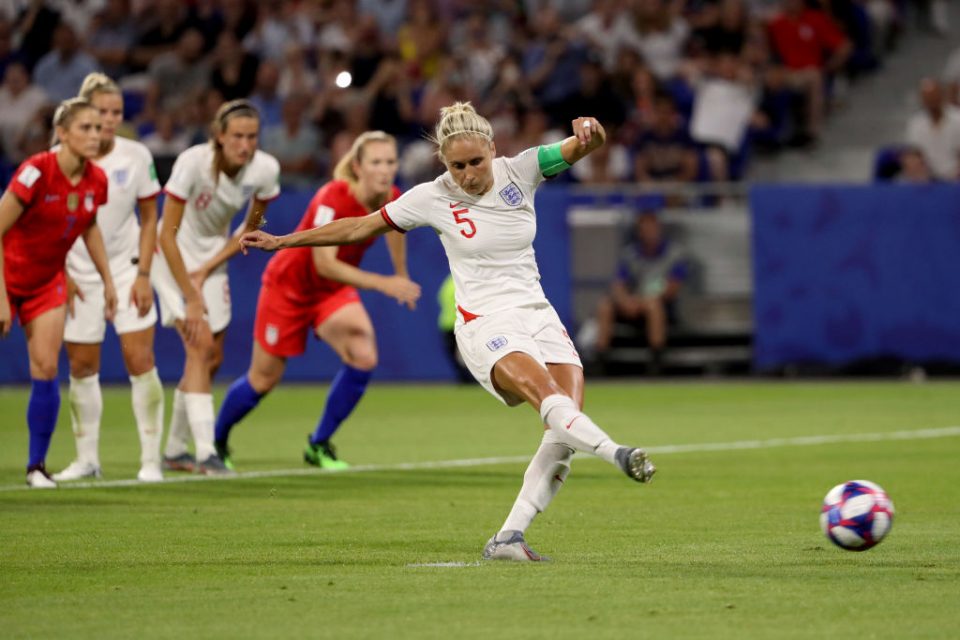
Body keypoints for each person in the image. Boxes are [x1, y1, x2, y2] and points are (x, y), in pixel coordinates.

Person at [240, 102, 656, 561]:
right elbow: (359, 227)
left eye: (476, 162)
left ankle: (508, 539)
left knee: (564, 427)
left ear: (492, 150)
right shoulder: (430, 197)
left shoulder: (523, 169)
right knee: (546, 397)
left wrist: (591, 133)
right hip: (485, 323)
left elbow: (582, 146)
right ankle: (617, 452)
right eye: (457, 166)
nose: (468, 174)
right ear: (444, 162)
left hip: (538, 314)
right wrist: (282, 241)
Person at [212, 131, 420, 470]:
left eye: (390, 162)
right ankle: (215, 441)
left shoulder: (392, 195)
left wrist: (401, 273)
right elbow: (324, 263)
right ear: (357, 167)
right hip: (289, 289)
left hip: (330, 293)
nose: (385, 170)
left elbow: (395, 228)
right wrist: (384, 283)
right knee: (263, 380)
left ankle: (319, 444)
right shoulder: (332, 196)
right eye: (376, 162)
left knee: (363, 354)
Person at [152, 99, 280, 476]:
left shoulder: (265, 170)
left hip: (211, 263)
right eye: (237, 136)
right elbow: (166, 233)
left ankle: (175, 450)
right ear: (219, 136)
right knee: (200, 346)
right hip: (171, 258)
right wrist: (190, 294)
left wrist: (207, 268)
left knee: (212, 359)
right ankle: (207, 452)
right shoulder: (192, 162)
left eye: (252, 136)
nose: (245, 144)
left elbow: (248, 232)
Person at [52, 73, 165, 483]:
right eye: (101, 112)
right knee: (82, 365)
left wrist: (143, 274)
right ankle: (87, 459)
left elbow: (151, 216)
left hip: (127, 264)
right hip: (78, 269)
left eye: (117, 112)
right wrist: (63, 272)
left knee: (141, 360)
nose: (110, 120)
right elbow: (51, 221)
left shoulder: (136, 156)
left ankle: (151, 460)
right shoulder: (61, 156)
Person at [0, 97, 113, 488]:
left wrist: (108, 281)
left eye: (98, 128)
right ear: (61, 134)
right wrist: (2, 297)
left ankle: (36, 467)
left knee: (46, 369)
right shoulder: (36, 172)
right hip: (4, 275)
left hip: (46, 282)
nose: (95, 135)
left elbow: (89, 227)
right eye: (85, 128)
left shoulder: (97, 179)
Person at [593, 211, 689, 375]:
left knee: (653, 306)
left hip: (660, 305)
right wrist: (626, 301)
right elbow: (618, 284)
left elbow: (672, 288)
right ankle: (600, 359)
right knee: (605, 306)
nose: (648, 232)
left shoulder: (674, 254)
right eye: (644, 228)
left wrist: (646, 301)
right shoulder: (629, 254)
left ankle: (656, 358)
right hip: (633, 304)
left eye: (652, 228)